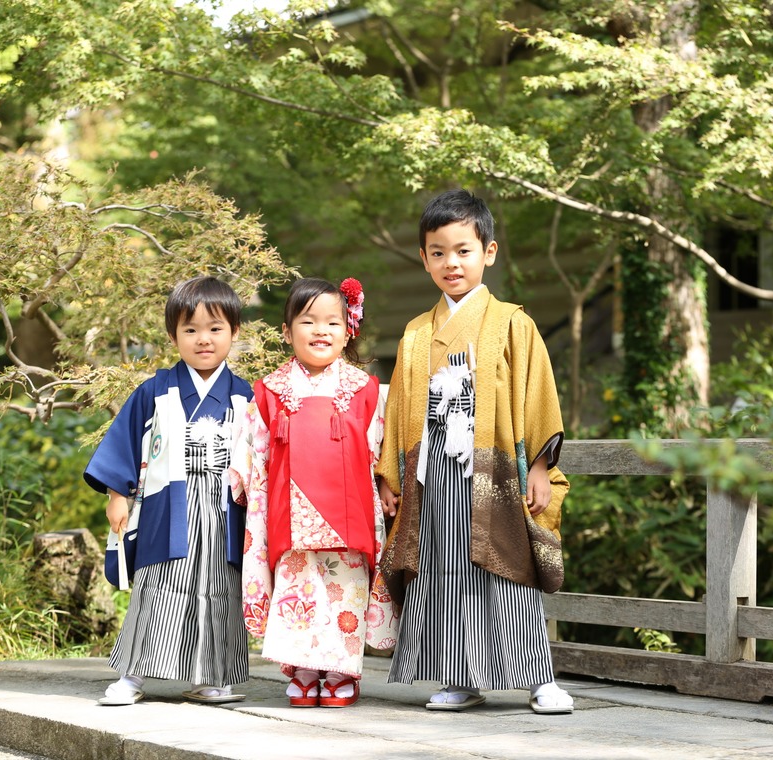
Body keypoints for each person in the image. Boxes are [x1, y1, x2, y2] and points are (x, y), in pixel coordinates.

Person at [376, 188, 574, 715]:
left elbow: (537, 395)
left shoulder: (513, 322)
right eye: (437, 252)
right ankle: (459, 676)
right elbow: (398, 409)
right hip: (432, 472)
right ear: (423, 258)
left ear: (489, 251)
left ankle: (539, 679)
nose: (451, 262)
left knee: (507, 564)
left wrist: (538, 467)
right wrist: (390, 476)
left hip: (494, 468)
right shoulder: (417, 332)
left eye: (463, 250)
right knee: (442, 573)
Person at [230, 276, 399, 709]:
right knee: (298, 586)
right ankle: (303, 668)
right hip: (291, 509)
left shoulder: (365, 390)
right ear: (288, 331)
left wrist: (386, 483)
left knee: (345, 586)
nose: (321, 330)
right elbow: (254, 445)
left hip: (352, 508)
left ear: (348, 330)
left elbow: (382, 447)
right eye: (308, 321)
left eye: (332, 322)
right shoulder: (271, 391)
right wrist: (241, 474)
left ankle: (341, 670)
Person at [85, 276, 252, 706]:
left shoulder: (244, 396)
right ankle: (133, 676)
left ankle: (210, 676)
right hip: (168, 503)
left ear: (234, 332)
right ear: (173, 335)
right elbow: (124, 443)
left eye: (215, 329)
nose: (203, 340)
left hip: (223, 506)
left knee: (218, 586)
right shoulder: (155, 390)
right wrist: (117, 494)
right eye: (190, 329)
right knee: (159, 584)